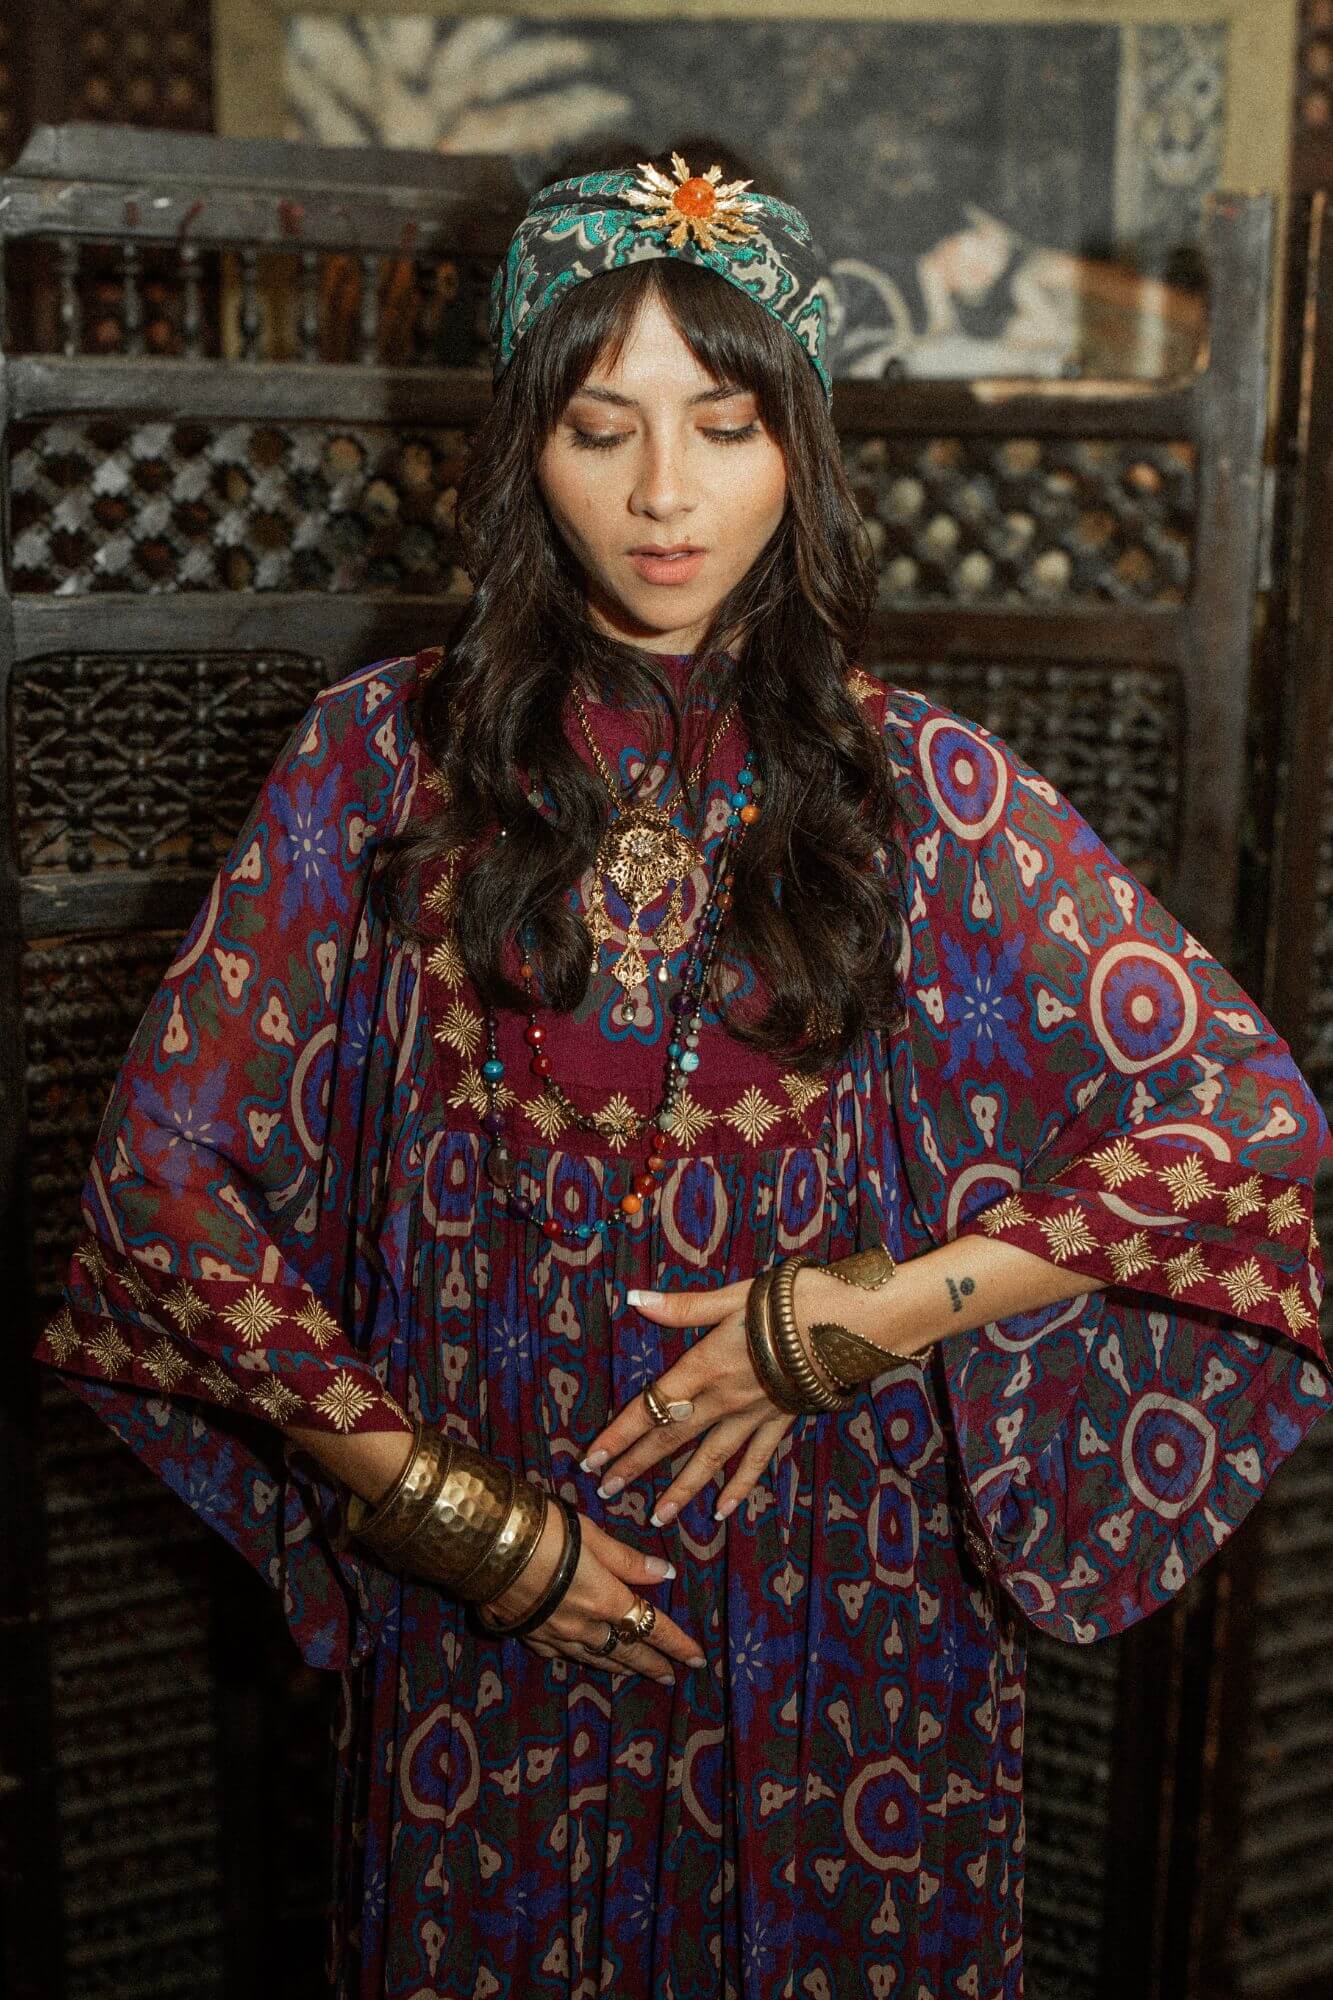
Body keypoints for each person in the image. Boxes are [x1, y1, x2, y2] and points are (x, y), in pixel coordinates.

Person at [33, 149, 1333, 2000]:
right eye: (598, 425)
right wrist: (455, 1521)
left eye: (723, 425)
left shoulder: (921, 793)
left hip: (847, 1589)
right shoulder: (373, 768)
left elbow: (1249, 1124)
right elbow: (156, 1187)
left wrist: (865, 1317)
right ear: (517, 450)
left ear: (797, 445)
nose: (664, 494)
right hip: (485, 1584)